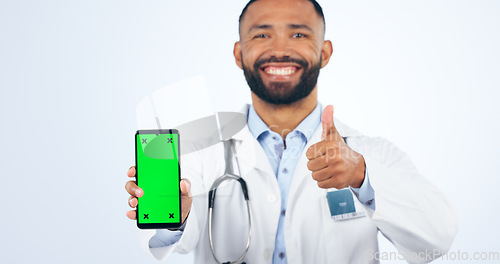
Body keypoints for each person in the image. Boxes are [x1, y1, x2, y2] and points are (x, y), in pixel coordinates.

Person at [125, 0, 458, 263]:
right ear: (239, 54)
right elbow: (171, 241)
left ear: (324, 52)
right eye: (261, 34)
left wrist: (362, 176)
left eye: (298, 34)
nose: (280, 48)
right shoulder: (200, 151)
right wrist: (177, 218)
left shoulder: (372, 153)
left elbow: (438, 236)